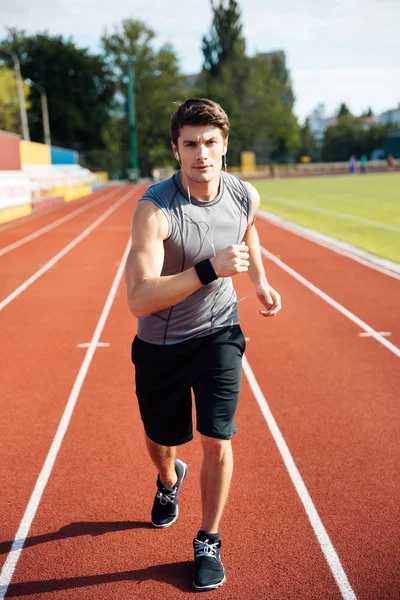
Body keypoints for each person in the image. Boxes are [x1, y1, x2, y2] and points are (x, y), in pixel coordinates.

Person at [124, 98, 281, 592]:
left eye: (210, 143)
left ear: (225, 145)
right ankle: (169, 480)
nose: (201, 154)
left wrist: (258, 281)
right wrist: (209, 269)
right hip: (162, 345)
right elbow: (139, 298)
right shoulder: (155, 210)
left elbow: (246, 234)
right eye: (190, 144)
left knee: (218, 438)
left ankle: (208, 537)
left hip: (220, 332)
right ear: (176, 149)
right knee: (160, 437)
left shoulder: (243, 194)